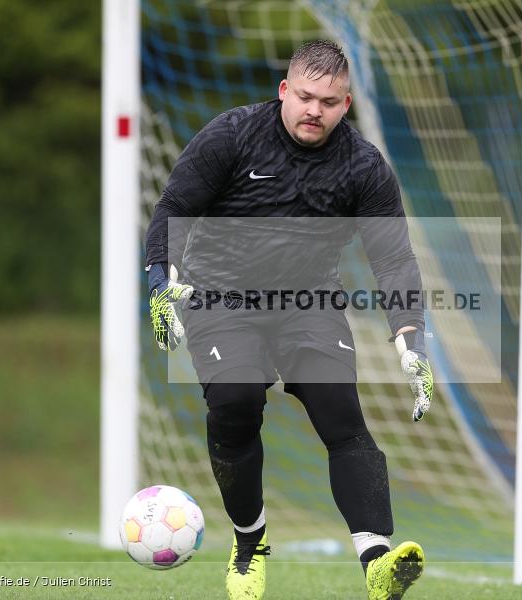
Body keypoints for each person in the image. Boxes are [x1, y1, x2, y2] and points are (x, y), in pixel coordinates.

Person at [144, 40, 434, 600]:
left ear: (345, 104)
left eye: (328, 101)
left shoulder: (364, 167)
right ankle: (250, 544)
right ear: (284, 90)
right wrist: (160, 282)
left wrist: (410, 340)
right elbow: (174, 209)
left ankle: (376, 562)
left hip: (309, 304)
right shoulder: (232, 136)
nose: (313, 110)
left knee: (341, 414)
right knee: (235, 401)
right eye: (304, 96)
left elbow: (394, 258)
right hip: (222, 298)